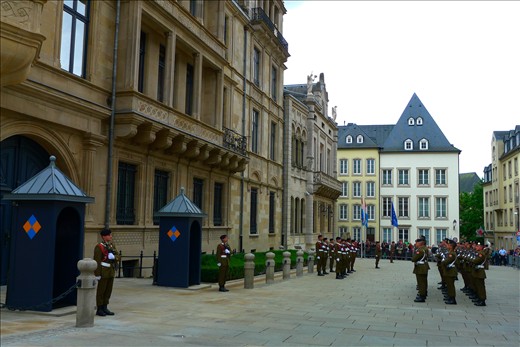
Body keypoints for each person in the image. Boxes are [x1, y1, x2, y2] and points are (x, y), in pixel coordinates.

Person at [94, 228, 120, 317]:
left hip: (111, 271)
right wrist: (97, 274)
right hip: (103, 272)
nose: (111, 236)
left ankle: (105, 307)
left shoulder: (112, 245)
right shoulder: (99, 247)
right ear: (104, 236)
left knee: (108, 290)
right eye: (109, 235)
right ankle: (99, 308)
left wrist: (114, 257)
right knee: (101, 291)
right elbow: (97, 261)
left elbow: (118, 256)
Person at [411, 238, 430, 302]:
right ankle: (423, 293)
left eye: (417, 243)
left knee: (421, 282)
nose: (415, 244)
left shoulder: (420, 250)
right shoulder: (425, 248)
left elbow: (413, 259)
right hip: (424, 266)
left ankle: (422, 296)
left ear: (420, 243)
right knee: (424, 281)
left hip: (420, 268)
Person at [441, 239, 458, 304]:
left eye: (448, 245)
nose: (447, 246)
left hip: (451, 271)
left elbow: (446, 261)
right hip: (449, 271)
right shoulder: (450, 253)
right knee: (449, 285)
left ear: (451, 246)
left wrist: (443, 262)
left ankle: (452, 299)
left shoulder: (452, 254)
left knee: (451, 285)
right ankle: (450, 296)